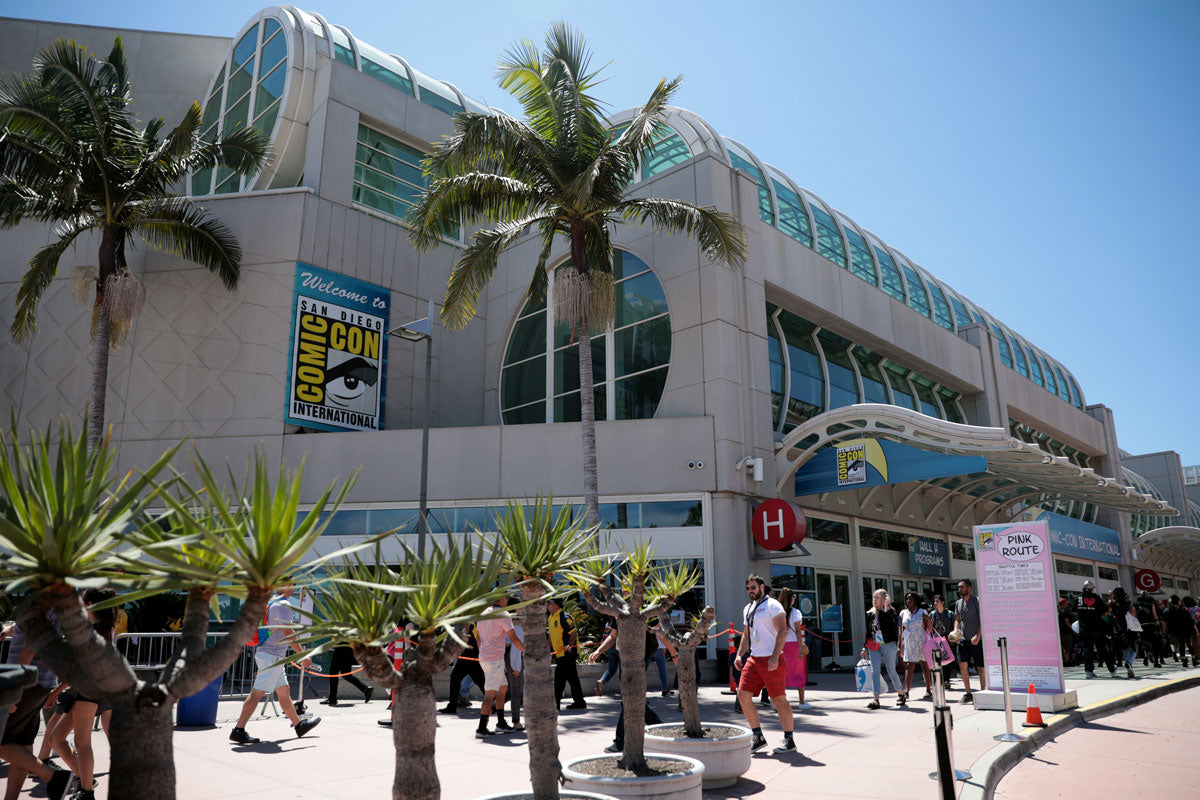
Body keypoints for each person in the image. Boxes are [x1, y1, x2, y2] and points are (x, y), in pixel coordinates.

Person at [45, 588, 118, 800]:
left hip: (88, 690)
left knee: (81, 742)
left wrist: (57, 690)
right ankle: (86, 781)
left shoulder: (94, 630)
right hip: (85, 689)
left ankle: (87, 791)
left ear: (89, 604)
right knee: (56, 739)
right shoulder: (99, 629)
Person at [230, 585, 321, 744]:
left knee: (284, 691)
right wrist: (302, 654)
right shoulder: (283, 605)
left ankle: (299, 725)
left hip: (272, 656)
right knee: (256, 694)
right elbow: (288, 632)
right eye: (292, 585)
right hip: (272, 657)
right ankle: (238, 730)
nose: (294, 588)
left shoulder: (272, 603)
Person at [0, 616, 75, 800]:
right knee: (22, 744)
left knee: (3, 743)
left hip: (27, 683)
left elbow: (30, 647)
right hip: (42, 682)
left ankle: (54, 777)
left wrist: (14, 689)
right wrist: (10, 630)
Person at [734, 574, 796, 755]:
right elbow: (746, 634)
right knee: (742, 695)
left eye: (753, 587)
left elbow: (783, 631)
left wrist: (775, 657)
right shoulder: (748, 608)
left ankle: (789, 740)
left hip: (772, 658)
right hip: (754, 659)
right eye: (747, 589)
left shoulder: (773, 605)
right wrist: (739, 655)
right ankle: (758, 737)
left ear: (762, 587)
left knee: (778, 699)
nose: (750, 591)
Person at [473, 595, 523, 738]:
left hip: (487, 658)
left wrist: (483, 650)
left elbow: (477, 636)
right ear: (501, 600)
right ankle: (481, 728)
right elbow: (513, 638)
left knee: (503, 688)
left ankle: (501, 722)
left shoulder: (482, 613)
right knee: (490, 695)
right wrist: (526, 650)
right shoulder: (503, 614)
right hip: (494, 660)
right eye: (505, 598)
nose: (507, 601)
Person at [860, 588, 903, 710]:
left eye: (877, 597)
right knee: (875, 671)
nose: (874, 600)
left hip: (888, 644)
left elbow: (889, 624)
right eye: (874, 597)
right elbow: (868, 632)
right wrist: (864, 647)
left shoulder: (890, 612)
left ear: (884, 599)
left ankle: (900, 692)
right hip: (874, 645)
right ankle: (876, 699)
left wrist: (886, 606)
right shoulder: (870, 614)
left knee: (891, 671)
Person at [547, 598, 586, 710]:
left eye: (550, 603)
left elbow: (573, 634)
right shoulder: (550, 617)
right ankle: (579, 702)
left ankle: (555, 703)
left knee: (559, 677)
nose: (548, 605)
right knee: (572, 678)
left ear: (557, 605)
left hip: (568, 653)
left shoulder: (564, 617)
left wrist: (569, 645)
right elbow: (551, 635)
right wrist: (548, 647)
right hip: (559, 653)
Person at [954, 578, 987, 701]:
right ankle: (968, 693)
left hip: (976, 639)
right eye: (959, 587)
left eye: (962, 587)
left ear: (969, 588)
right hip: (963, 639)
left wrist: (978, 636)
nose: (960, 589)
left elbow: (982, 619)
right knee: (962, 665)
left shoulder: (976, 601)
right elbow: (957, 619)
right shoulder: (958, 603)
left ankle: (984, 692)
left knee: (980, 667)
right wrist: (955, 631)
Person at [778, 588, 810, 710]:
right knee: (799, 674)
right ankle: (802, 702)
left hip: (780, 645)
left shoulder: (778, 612)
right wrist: (800, 647)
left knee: (781, 674)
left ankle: (781, 702)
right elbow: (798, 631)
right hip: (793, 645)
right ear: (792, 599)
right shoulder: (796, 613)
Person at [441, 624, 484, 714]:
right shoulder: (470, 626)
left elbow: (477, 640)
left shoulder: (471, 626)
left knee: (455, 678)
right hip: (470, 657)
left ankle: (452, 706)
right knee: (479, 680)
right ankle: (495, 702)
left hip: (469, 656)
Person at [1074, 579, 1113, 678]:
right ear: (1091, 589)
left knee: (1087, 650)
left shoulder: (1078, 598)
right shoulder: (1096, 597)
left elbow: (1074, 611)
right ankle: (1112, 669)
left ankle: (1088, 671)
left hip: (1084, 629)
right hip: (1097, 628)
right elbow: (1105, 612)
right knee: (1102, 648)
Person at [899, 592, 933, 702]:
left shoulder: (923, 612)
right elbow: (901, 630)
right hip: (909, 642)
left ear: (916, 600)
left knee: (924, 665)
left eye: (911, 599)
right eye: (907, 599)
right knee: (909, 665)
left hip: (921, 641)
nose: (908, 601)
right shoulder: (903, 613)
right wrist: (899, 645)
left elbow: (930, 629)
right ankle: (907, 691)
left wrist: (928, 619)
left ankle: (928, 689)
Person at [1107, 587, 1137, 679]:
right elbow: (1133, 613)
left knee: (1124, 648)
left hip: (1117, 629)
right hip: (1129, 628)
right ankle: (1129, 663)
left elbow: (1109, 612)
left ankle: (1129, 667)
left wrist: (1110, 597)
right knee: (1134, 646)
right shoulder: (1128, 602)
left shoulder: (1111, 603)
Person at [504, 600, 525, 731]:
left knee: (509, 691)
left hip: (509, 660)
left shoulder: (509, 624)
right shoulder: (516, 626)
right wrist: (516, 666)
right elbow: (515, 649)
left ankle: (491, 709)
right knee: (516, 693)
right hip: (514, 660)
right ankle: (516, 722)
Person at [929, 595, 956, 687]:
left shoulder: (949, 614)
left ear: (943, 602)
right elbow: (929, 628)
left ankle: (946, 680)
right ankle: (939, 680)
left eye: (937, 601)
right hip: (936, 642)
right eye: (934, 602)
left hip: (948, 642)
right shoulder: (932, 614)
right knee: (937, 661)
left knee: (948, 662)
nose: (935, 603)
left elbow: (955, 627)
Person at [1164, 595, 1198, 668]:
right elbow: (1190, 621)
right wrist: (1196, 630)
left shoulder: (1168, 610)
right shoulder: (1182, 609)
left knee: (1181, 644)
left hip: (1176, 631)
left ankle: (1184, 660)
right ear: (1178, 602)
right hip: (1186, 630)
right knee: (1189, 643)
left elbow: (1166, 622)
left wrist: (1164, 630)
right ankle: (1194, 659)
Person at [593, 619, 620, 697]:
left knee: (611, 668)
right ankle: (625, 689)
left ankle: (601, 681)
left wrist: (601, 648)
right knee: (623, 668)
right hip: (619, 646)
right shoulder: (617, 621)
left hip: (609, 647)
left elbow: (605, 636)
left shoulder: (608, 623)